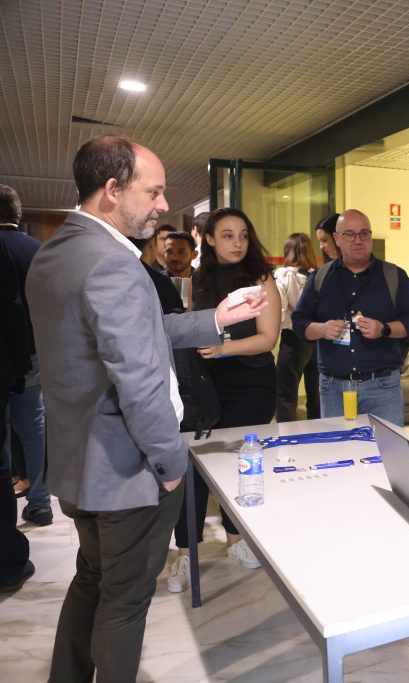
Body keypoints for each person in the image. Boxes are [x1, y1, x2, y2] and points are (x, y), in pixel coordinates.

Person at [25, 135, 267, 682]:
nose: (164, 205)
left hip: (79, 461)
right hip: (126, 470)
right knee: (126, 600)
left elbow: (132, 332)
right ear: (113, 189)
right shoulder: (113, 263)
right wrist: (170, 463)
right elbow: (139, 380)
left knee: (92, 579)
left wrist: (215, 319)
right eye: (154, 192)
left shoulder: (56, 251)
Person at [167, 207, 281, 593]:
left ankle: (236, 538)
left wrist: (223, 348)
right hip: (205, 383)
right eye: (228, 235)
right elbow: (188, 328)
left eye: (243, 235)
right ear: (210, 239)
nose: (237, 242)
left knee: (237, 462)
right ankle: (186, 552)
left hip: (252, 384)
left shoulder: (261, 279)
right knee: (193, 465)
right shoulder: (198, 279)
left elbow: (268, 338)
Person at [292, 209, 409, 425]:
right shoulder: (320, 277)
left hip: (382, 387)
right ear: (337, 238)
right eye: (350, 234)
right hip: (333, 389)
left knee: (385, 446)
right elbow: (299, 321)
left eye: (364, 233)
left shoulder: (393, 276)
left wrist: (384, 329)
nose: (358, 240)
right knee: (339, 445)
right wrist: (322, 329)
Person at [0, 184, 51, 526]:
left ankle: (5, 507)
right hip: (33, 354)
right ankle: (41, 502)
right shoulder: (39, 251)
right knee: (34, 429)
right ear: (17, 213)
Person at [0, 236, 34, 592]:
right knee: (31, 430)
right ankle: (8, 563)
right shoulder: (31, 247)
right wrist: (21, 365)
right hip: (10, 363)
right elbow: (11, 308)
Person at [275, 232, 320, 422]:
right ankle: (320, 434)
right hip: (318, 337)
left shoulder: (284, 275)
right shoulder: (317, 276)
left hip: (293, 339)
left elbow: (280, 309)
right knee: (316, 394)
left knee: (285, 394)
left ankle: (287, 435)